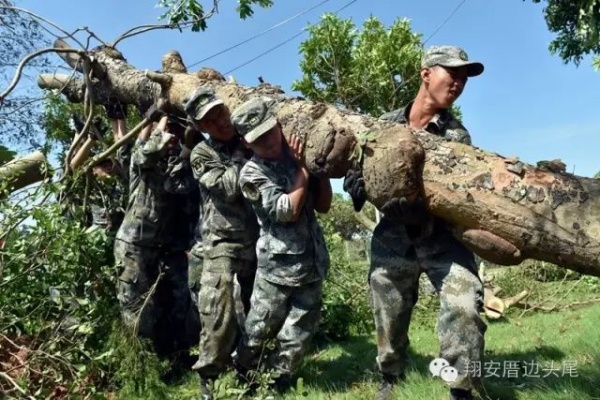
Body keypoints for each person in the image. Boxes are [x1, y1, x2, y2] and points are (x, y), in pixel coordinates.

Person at [344, 45, 486, 400]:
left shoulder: (457, 137)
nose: (458, 83)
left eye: (464, 79)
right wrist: (357, 186)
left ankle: (461, 388)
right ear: (426, 73)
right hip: (393, 237)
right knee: (387, 312)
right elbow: (360, 175)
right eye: (452, 74)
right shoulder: (382, 127)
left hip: (443, 239)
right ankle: (391, 376)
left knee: (465, 304)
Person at [230, 97, 332, 393]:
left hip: (312, 261)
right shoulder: (251, 173)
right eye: (258, 139)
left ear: (278, 126)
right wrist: (303, 171)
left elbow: (323, 206)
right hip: (278, 268)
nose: (268, 142)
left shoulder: (296, 156)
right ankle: (244, 372)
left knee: (300, 328)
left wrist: (317, 171)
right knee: (259, 328)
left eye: (269, 132)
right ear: (246, 143)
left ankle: (279, 379)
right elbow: (286, 210)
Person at [183, 87, 259, 398]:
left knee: (259, 312)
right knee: (219, 314)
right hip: (221, 244)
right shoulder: (202, 153)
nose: (220, 122)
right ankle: (209, 379)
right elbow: (228, 188)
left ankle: (251, 372)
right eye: (210, 120)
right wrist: (243, 153)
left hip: (257, 241)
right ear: (201, 127)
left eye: (220, 113)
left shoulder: (250, 136)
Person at [114, 109, 198, 357]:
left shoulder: (167, 165)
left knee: (168, 303)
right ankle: (141, 364)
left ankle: (174, 355)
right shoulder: (141, 162)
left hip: (161, 247)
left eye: (173, 133)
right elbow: (145, 148)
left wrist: (188, 142)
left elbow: (178, 178)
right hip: (134, 245)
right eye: (166, 133)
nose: (170, 138)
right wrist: (158, 118)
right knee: (135, 307)